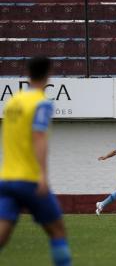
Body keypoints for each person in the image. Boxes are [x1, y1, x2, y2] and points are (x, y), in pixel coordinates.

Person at [0, 57, 71, 265]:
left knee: (2, 235)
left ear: (27, 72)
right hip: (29, 179)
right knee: (57, 229)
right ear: (49, 73)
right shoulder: (42, 102)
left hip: (6, 178)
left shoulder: (13, 102)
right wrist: (42, 174)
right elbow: (39, 136)